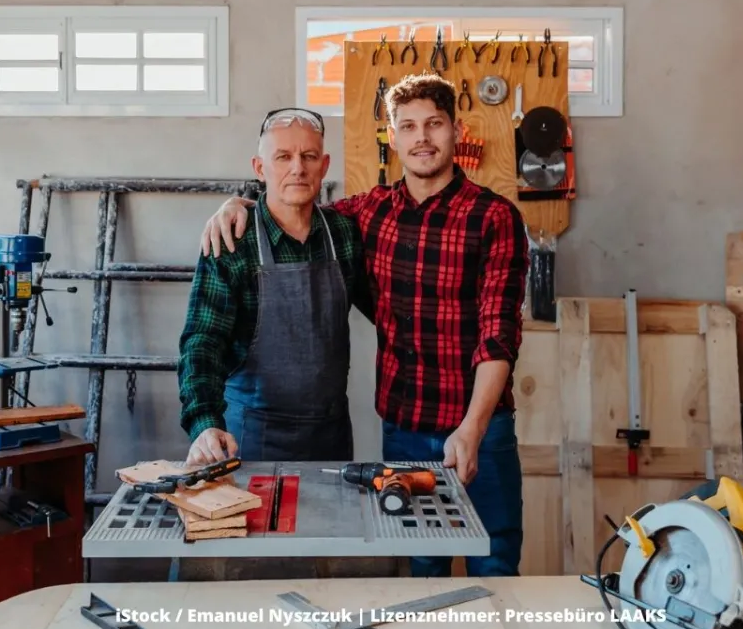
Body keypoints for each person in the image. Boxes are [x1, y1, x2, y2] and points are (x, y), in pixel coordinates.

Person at [200, 73, 530, 578]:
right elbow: (292, 203)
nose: (421, 138)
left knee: (496, 560)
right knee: (422, 562)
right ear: (393, 138)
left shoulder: (494, 217)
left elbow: (498, 333)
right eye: (408, 127)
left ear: (456, 131)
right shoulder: (367, 214)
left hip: (480, 426)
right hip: (404, 428)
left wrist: (474, 425)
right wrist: (237, 203)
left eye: (434, 124)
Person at [177, 107, 370, 466]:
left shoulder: (344, 233)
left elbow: (387, 311)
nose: (298, 168)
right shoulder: (232, 240)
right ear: (260, 168)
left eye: (309, 156)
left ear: (324, 166)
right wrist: (204, 423)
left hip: (330, 437)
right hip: (250, 436)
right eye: (283, 157)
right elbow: (202, 341)